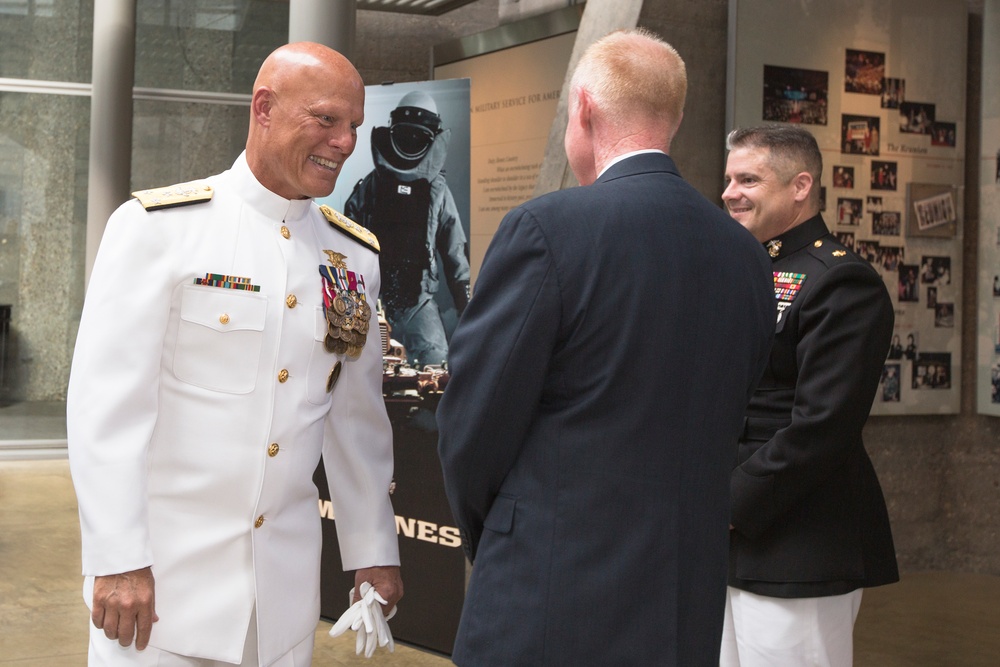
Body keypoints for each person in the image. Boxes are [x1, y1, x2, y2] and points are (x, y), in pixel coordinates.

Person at [436, 29, 775, 666]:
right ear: (672, 117)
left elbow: (473, 422)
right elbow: (738, 405)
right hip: (682, 598)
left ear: (583, 109)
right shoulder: (746, 256)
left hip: (548, 588)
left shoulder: (547, 229)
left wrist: (505, 530)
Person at [67, 42, 402, 666]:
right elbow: (106, 413)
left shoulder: (351, 258)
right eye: (326, 119)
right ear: (264, 108)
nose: (346, 142)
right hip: (157, 596)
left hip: (282, 603)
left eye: (354, 125)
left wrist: (372, 546)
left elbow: (356, 418)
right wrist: (116, 559)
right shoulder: (160, 229)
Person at [720, 124, 898, 667]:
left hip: (798, 539)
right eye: (728, 178)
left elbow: (822, 425)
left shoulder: (841, 282)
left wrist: (726, 501)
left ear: (800, 186)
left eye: (748, 179)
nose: (729, 192)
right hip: (725, 536)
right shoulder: (742, 268)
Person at [345, 90, 470, 368]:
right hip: (372, 297)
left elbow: (454, 252)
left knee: (437, 365)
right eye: (406, 136)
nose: (411, 142)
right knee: (355, 366)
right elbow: (344, 244)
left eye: (418, 138)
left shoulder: (435, 190)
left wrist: (467, 305)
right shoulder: (372, 186)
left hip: (416, 300)